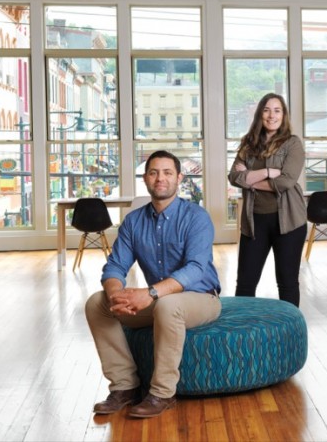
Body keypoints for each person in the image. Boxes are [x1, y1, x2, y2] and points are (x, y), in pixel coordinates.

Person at [86, 150, 222, 418]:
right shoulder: (134, 221)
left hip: (201, 298)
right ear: (146, 179)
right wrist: (116, 296)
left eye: (167, 172)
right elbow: (114, 266)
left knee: (168, 305)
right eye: (154, 172)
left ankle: (162, 393)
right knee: (97, 303)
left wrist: (150, 293)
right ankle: (124, 387)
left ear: (179, 178)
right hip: (159, 301)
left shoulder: (196, 217)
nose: (160, 178)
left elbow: (196, 269)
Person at [228, 93, 307, 306]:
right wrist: (268, 171)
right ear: (260, 114)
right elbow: (234, 177)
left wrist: (250, 179)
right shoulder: (249, 143)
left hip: (289, 222)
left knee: (287, 282)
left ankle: (291, 335)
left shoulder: (292, 144)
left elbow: (286, 181)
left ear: (284, 115)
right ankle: (241, 333)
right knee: (245, 283)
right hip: (254, 222)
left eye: (277, 110)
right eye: (267, 110)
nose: (271, 115)